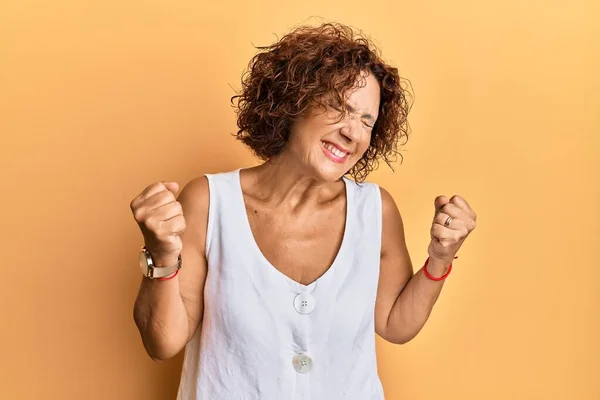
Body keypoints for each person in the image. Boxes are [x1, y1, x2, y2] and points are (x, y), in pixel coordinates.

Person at [130, 22, 477, 400]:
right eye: (339, 107)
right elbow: (161, 342)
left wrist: (440, 258)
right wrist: (163, 255)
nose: (353, 133)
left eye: (366, 121)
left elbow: (395, 324)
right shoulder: (209, 202)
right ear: (293, 102)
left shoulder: (376, 210)